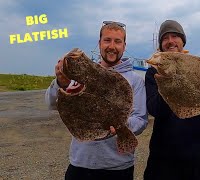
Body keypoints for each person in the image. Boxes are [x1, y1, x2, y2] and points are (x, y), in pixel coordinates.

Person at [45, 22, 148, 180]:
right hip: (81, 164)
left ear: (124, 46)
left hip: (118, 167)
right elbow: (51, 104)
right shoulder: (81, 76)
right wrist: (61, 83)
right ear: (99, 43)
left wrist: (122, 126)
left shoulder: (135, 80)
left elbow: (140, 120)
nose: (112, 46)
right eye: (107, 40)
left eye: (117, 41)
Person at [143, 20, 200, 180]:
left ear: (183, 41)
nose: (170, 41)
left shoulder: (197, 66)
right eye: (165, 38)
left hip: (198, 157)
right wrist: (167, 81)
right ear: (161, 45)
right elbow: (154, 109)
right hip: (163, 158)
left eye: (175, 36)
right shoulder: (153, 73)